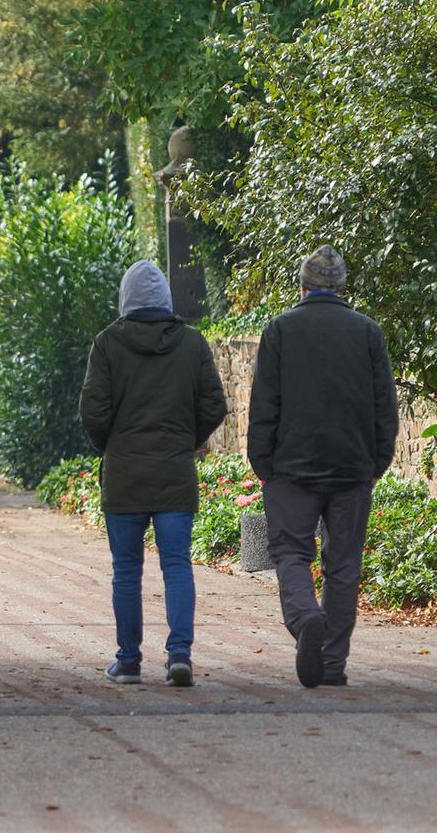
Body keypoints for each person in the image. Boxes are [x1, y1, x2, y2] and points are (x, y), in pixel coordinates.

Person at [248, 246, 398, 688]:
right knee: (344, 564)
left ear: (303, 286)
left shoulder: (280, 330)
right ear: (340, 288)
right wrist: (378, 462)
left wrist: (263, 462)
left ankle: (305, 617)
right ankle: (331, 664)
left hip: (291, 468)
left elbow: (264, 405)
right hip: (352, 468)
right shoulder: (367, 333)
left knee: (291, 552)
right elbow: (384, 407)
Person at [79, 261, 227, 687]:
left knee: (126, 570)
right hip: (174, 471)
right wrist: (186, 439)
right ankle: (179, 655)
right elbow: (214, 405)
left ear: (126, 300)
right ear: (166, 299)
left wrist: (111, 445)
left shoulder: (107, 343)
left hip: (124, 473)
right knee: (177, 565)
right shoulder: (192, 343)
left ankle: (128, 661)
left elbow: (93, 411)